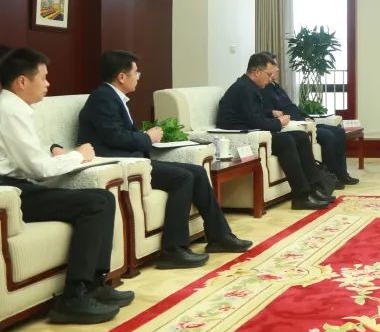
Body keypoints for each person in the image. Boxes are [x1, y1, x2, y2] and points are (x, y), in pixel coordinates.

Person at [78, 51, 251, 269]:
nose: (138, 77)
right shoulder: (102, 98)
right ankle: (174, 249)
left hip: (135, 162)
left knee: (197, 172)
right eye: (136, 73)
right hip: (121, 165)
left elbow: (120, 134)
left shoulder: (112, 97)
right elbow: (114, 137)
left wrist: (148, 138)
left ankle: (219, 236)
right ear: (121, 77)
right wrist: (147, 138)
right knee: (183, 178)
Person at [0, 48, 133, 324]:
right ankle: (74, 296)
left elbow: (29, 159)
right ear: (22, 81)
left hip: (20, 185)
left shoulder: (15, 107)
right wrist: (77, 156)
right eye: (43, 78)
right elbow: (37, 169)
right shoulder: (10, 110)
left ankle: (94, 284)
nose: (48, 84)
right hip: (11, 192)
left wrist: (58, 154)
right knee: (96, 203)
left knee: (104, 199)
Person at [217, 53, 331, 210]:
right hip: (244, 136)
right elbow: (254, 121)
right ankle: (301, 196)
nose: (271, 79)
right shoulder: (244, 89)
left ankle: (315, 188)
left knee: (301, 137)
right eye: (268, 75)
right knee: (286, 141)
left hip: (253, 130)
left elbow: (252, 114)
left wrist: (270, 113)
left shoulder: (250, 86)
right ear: (257, 72)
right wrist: (279, 122)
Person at [258, 52, 358, 189]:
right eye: (274, 65)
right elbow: (270, 111)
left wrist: (306, 116)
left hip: (303, 120)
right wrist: (276, 114)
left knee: (338, 131)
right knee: (328, 136)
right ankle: (331, 177)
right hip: (294, 124)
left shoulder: (276, 86)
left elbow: (291, 106)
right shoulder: (264, 89)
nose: (277, 69)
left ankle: (342, 174)